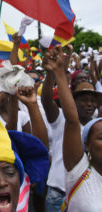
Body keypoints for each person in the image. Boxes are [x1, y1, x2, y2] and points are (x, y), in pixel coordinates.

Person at [44, 45, 102, 212]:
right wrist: (55, 73)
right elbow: (50, 103)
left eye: (93, 100)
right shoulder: (62, 118)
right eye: (84, 99)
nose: (89, 104)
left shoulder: (96, 124)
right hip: (58, 191)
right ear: (87, 145)